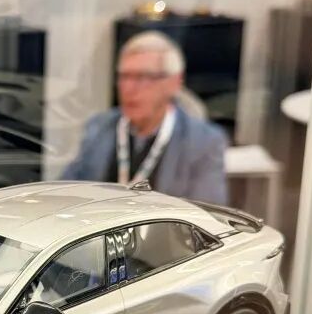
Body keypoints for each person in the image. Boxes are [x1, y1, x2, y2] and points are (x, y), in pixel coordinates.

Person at [60, 31, 227, 204]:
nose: (129, 88)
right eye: (124, 77)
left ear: (173, 83)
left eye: (142, 77)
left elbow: (205, 212)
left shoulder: (203, 142)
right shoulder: (99, 127)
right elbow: (65, 193)